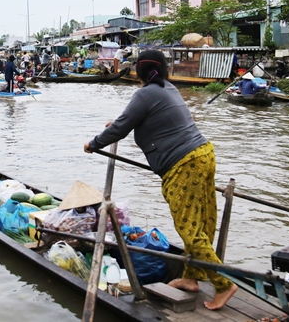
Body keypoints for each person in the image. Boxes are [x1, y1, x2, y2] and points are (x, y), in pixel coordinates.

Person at [83, 49, 238, 311]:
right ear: (164, 70)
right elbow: (135, 121)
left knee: (189, 228)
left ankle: (223, 284)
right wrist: (117, 125)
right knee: (201, 222)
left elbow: (122, 127)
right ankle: (191, 277)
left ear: (139, 72)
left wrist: (93, 144)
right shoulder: (168, 88)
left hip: (183, 164)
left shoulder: (144, 93)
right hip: (203, 154)